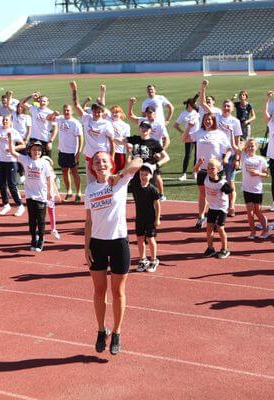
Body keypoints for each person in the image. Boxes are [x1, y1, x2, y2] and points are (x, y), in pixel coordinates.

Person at [84, 151, 143, 355]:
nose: (100, 164)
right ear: (92, 167)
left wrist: (120, 174)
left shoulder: (121, 181)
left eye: (104, 161)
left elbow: (139, 161)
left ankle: (117, 332)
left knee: (118, 292)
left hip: (118, 243)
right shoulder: (90, 189)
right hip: (97, 245)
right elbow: (89, 220)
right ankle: (102, 330)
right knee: (99, 292)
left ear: (111, 164)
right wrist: (86, 246)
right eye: (96, 162)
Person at [199, 80, 242, 216]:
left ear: (232, 108)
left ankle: (232, 206)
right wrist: (204, 87)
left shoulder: (235, 122)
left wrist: (238, 158)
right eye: (224, 106)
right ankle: (216, 207)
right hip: (218, 155)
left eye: (229, 106)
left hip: (229, 155)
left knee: (230, 181)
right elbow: (203, 103)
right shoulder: (216, 116)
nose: (226, 108)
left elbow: (237, 141)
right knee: (216, 181)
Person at [183, 113, 231, 229]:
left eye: (210, 119)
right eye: (205, 119)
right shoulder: (199, 133)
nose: (207, 121)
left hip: (215, 170)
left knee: (217, 193)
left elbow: (229, 148)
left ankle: (217, 218)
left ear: (213, 121)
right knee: (202, 194)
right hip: (202, 169)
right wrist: (189, 127)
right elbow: (185, 138)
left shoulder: (220, 134)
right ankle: (201, 217)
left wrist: (226, 158)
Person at [8, 138, 52, 252]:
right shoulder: (26, 160)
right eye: (34, 149)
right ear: (30, 150)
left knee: (41, 220)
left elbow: (48, 178)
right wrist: (9, 139)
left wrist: (49, 192)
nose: (36, 152)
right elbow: (12, 152)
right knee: (32, 220)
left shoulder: (44, 163)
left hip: (41, 196)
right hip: (29, 195)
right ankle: (33, 238)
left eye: (39, 150)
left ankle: (41, 239)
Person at [70, 81, 114, 184]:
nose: (97, 114)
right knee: (91, 182)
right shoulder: (87, 119)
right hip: (89, 155)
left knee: (104, 181)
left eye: (99, 112)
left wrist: (111, 158)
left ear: (102, 112)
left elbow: (112, 143)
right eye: (95, 111)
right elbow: (76, 105)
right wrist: (74, 89)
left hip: (102, 156)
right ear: (92, 111)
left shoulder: (106, 124)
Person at [230, 134, 271, 239]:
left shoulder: (261, 159)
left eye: (252, 146)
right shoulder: (244, 156)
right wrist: (232, 132)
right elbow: (234, 146)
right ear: (246, 147)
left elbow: (267, 174)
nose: (251, 148)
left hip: (257, 189)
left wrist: (258, 173)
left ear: (256, 147)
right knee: (250, 212)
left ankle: (266, 230)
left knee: (258, 211)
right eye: (249, 146)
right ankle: (253, 232)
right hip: (246, 188)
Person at [127, 100, 170, 200]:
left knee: (156, 174)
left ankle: (160, 194)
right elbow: (130, 116)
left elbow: (166, 139)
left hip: (155, 152)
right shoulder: (143, 120)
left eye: (151, 112)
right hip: (143, 150)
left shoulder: (159, 124)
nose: (149, 114)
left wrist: (161, 150)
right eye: (147, 112)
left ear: (155, 113)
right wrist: (131, 105)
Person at [0, 115, 26, 217]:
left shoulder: (14, 132)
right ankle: (6, 204)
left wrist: (13, 148)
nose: (4, 121)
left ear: (11, 122)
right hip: (0, 160)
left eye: (6, 120)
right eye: (3, 119)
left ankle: (20, 205)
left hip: (11, 161)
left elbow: (23, 145)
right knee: (2, 184)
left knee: (11, 185)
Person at [48, 104, 83, 203]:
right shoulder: (60, 119)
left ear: (72, 111)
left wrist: (78, 152)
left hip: (72, 152)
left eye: (68, 110)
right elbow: (48, 119)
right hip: (62, 151)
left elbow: (81, 138)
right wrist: (54, 113)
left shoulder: (75, 123)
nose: (66, 112)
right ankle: (69, 191)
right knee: (64, 171)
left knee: (74, 172)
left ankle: (79, 192)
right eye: (65, 110)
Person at [201, 158, 233, 259]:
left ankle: (225, 249)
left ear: (218, 170)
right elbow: (195, 170)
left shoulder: (222, 183)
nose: (210, 170)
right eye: (208, 168)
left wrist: (231, 206)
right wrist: (198, 164)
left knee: (220, 228)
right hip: (212, 207)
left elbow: (231, 192)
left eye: (212, 168)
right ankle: (210, 248)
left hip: (221, 208)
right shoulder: (205, 177)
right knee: (209, 227)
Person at [132, 163, 161, 273]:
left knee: (150, 239)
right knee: (140, 238)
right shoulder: (135, 186)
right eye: (141, 174)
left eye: (146, 174)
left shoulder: (152, 189)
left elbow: (157, 205)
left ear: (150, 176)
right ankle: (143, 259)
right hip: (139, 218)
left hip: (150, 219)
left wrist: (157, 218)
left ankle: (154, 260)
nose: (143, 176)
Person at [20, 92, 55, 156]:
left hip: (45, 139)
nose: (42, 102)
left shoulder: (51, 113)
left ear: (47, 102)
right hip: (33, 138)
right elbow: (21, 103)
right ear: (39, 101)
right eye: (41, 101)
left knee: (46, 160)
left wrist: (50, 141)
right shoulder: (33, 109)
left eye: (44, 101)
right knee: (31, 159)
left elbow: (55, 129)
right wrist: (31, 96)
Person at [174, 96, 200, 181]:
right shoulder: (183, 114)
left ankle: (195, 172)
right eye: (194, 103)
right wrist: (183, 133)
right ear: (189, 104)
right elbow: (176, 125)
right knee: (187, 155)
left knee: (197, 154)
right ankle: (184, 174)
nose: (196, 105)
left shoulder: (197, 112)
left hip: (198, 136)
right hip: (189, 137)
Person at [107, 105, 130, 182]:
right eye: (113, 112)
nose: (114, 114)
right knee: (108, 173)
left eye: (117, 112)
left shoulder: (125, 126)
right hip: (107, 151)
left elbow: (126, 140)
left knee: (119, 174)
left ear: (121, 113)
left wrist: (113, 140)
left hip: (119, 152)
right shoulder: (107, 121)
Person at [42, 156, 62, 240]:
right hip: (42, 195)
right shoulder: (40, 172)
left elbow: (53, 184)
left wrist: (57, 194)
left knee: (51, 212)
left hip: (50, 195)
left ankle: (53, 229)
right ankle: (40, 231)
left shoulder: (51, 173)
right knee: (41, 214)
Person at [13, 102, 32, 184]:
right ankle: (19, 175)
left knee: (24, 158)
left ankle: (24, 175)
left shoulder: (27, 117)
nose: (19, 109)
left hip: (23, 140)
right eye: (18, 107)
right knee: (16, 158)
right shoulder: (13, 115)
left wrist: (27, 139)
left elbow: (29, 129)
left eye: (21, 107)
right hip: (15, 140)